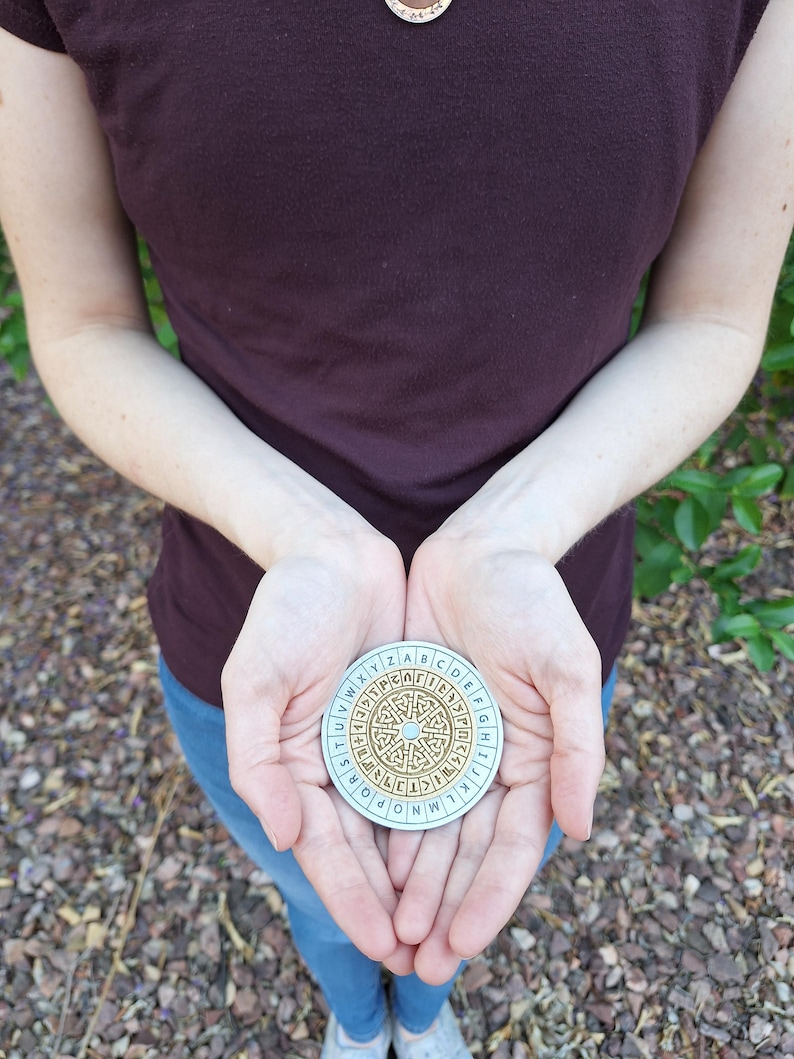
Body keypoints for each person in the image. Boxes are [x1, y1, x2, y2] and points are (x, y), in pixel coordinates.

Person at [0, 2, 792, 1055]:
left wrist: (513, 532)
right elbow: (81, 320)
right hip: (246, 636)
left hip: (536, 630)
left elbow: (716, 314)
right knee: (319, 893)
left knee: (448, 916)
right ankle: (348, 1014)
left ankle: (419, 1014)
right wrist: (299, 536)